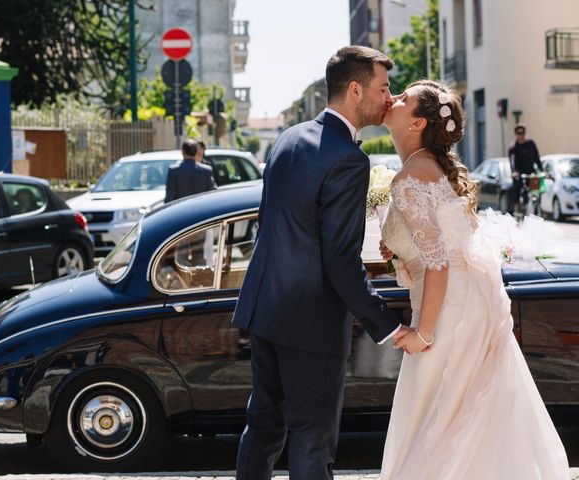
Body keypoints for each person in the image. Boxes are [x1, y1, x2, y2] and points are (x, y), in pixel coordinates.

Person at [231, 46, 412, 480]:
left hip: (265, 309)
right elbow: (339, 258)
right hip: (310, 322)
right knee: (312, 443)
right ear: (355, 90)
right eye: (383, 88)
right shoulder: (349, 159)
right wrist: (387, 324)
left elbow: (277, 227)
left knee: (263, 428)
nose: (389, 98)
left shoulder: (288, 138)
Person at [379, 80, 569, 479]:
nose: (393, 98)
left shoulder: (411, 177)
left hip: (448, 310)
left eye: (404, 99)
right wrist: (400, 251)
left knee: (439, 413)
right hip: (469, 301)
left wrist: (424, 333)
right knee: (471, 411)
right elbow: (446, 246)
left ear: (417, 123)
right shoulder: (428, 167)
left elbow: (440, 263)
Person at [164, 138, 216, 203]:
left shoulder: (174, 170)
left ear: (183, 152)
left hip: (181, 211)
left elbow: (169, 198)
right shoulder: (207, 170)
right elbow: (213, 194)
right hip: (203, 210)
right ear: (196, 152)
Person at [508, 124, 543, 214]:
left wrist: (542, 171)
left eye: (523, 133)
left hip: (531, 173)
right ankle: (517, 209)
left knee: (536, 192)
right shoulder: (513, 147)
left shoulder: (531, 143)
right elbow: (512, 161)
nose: (521, 135)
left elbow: (537, 158)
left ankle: (536, 209)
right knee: (518, 190)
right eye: (519, 133)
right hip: (519, 175)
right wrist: (514, 172)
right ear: (516, 134)